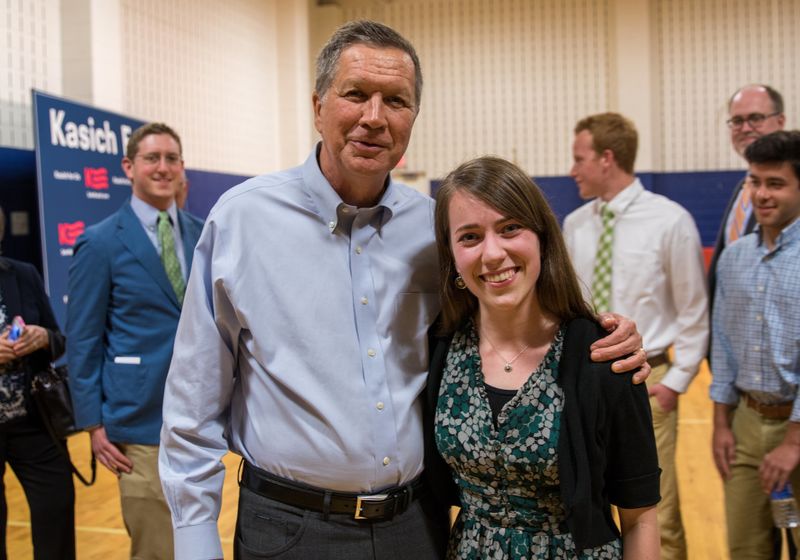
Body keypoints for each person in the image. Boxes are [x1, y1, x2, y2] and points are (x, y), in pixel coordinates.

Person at [159, 20, 649, 560]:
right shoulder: (242, 221)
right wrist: (196, 543)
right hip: (291, 528)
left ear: (414, 117)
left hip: (417, 525)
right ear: (318, 105)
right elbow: (193, 406)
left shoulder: (435, 229)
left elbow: (508, 314)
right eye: (355, 95)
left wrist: (598, 337)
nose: (374, 117)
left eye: (396, 100)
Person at [427, 156, 660, 559]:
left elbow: (640, 516)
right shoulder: (441, 349)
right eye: (470, 237)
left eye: (510, 228)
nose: (493, 253)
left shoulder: (603, 356)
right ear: (453, 259)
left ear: (542, 237)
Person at [562, 112, 708, 560]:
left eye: (579, 159)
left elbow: (694, 312)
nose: (572, 170)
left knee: (653, 512)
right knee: (588, 503)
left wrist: (674, 383)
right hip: (581, 381)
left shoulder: (670, 220)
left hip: (646, 381)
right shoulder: (573, 225)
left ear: (607, 159)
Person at [66, 123, 203, 559]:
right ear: (129, 166)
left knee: (197, 543)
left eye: (171, 159)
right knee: (156, 548)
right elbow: (83, 339)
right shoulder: (100, 242)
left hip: (200, 420)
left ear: (182, 167)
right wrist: (92, 424)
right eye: (152, 158)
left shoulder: (203, 234)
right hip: (138, 422)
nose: (163, 168)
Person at [710, 130, 800, 559]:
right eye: (754, 182)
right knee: (745, 548)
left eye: (775, 184)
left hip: (797, 426)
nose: (762, 194)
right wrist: (721, 424)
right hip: (746, 423)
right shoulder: (734, 257)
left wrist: (794, 443)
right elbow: (724, 347)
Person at [0, 208, 75, 560]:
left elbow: (59, 339)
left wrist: (43, 336)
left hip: (35, 422)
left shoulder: (22, 274)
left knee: (56, 514)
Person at [708, 85, 786, 310]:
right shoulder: (742, 190)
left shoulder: (793, 194)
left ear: (780, 122)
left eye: (755, 118)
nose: (745, 128)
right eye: (737, 121)